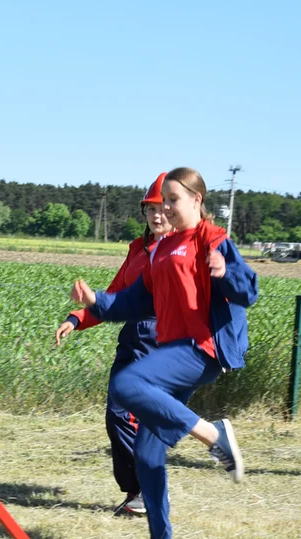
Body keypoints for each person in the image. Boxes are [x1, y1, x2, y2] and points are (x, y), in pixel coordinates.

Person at [68, 167, 259, 539]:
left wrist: (226, 274)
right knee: (148, 453)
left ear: (196, 200)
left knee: (125, 386)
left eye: (172, 200)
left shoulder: (212, 239)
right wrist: (96, 303)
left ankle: (214, 434)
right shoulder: (160, 249)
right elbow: (134, 302)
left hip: (202, 348)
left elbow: (249, 290)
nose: (165, 208)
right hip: (171, 351)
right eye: (161, 202)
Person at [55, 173, 171, 517]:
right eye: (151, 209)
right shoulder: (137, 250)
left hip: (165, 345)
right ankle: (138, 491)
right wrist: (78, 317)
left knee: (138, 418)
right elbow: (114, 297)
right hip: (133, 341)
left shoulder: (184, 251)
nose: (157, 215)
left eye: (164, 208)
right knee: (117, 417)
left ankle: (144, 492)